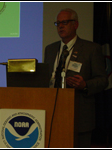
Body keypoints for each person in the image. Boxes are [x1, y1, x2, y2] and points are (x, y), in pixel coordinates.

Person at [44, 8, 108, 148]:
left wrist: (84, 85)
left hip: (80, 115)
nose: (60, 26)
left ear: (76, 24)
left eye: (65, 22)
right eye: (58, 23)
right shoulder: (50, 49)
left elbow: (103, 80)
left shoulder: (91, 49)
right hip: (52, 113)